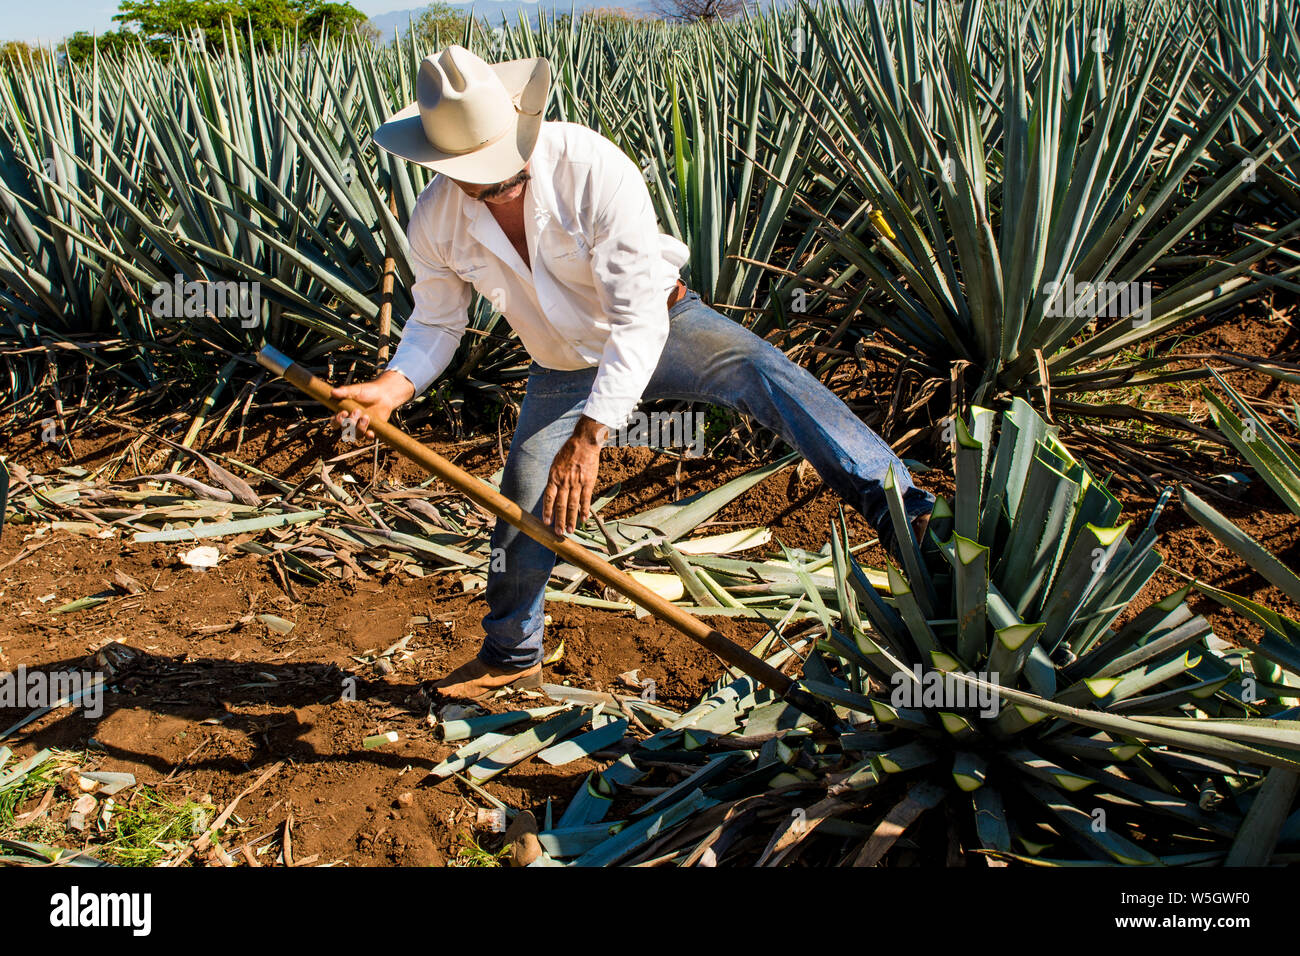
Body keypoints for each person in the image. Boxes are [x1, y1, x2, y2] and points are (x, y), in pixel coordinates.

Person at [333, 45, 934, 700]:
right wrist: (392, 388)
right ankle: (513, 655)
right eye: (484, 180)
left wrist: (590, 441)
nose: (503, 183)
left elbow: (636, 320)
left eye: (509, 170)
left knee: (772, 379)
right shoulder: (436, 219)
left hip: (664, 324)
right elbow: (437, 322)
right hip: (563, 365)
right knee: (523, 501)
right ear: (446, 166)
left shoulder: (591, 168)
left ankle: (914, 522)